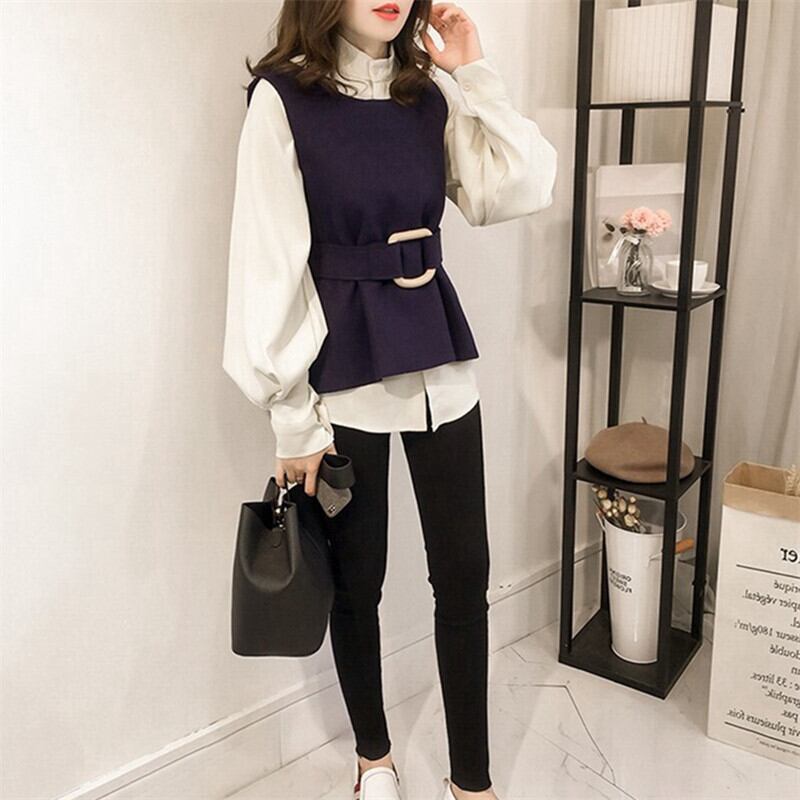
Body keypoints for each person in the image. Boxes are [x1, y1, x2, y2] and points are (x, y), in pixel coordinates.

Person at [222, 2, 557, 798]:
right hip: (346, 368)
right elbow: (267, 262)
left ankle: (471, 782)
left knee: (465, 575)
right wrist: (291, 416)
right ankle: (373, 759)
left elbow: (517, 187)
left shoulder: (427, 95)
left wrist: (474, 73)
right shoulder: (283, 99)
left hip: (439, 358)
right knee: (356, 581)